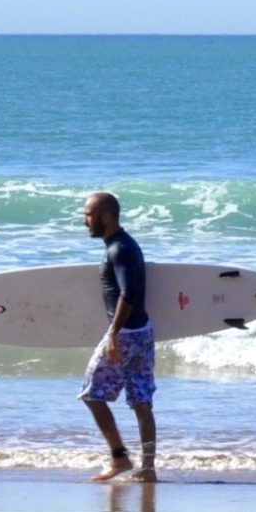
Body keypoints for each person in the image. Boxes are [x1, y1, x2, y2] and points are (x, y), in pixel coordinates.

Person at [79, 192, 157, 483]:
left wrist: (112, 335)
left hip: (124, 334)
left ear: (106, 216)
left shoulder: (119, 250)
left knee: (92, 394)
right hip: (143, 332)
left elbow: (129, 294)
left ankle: (120, 458)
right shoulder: (126, 245)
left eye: (88, 215)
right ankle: (148, 469)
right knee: (141, 400)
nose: (85, 221)